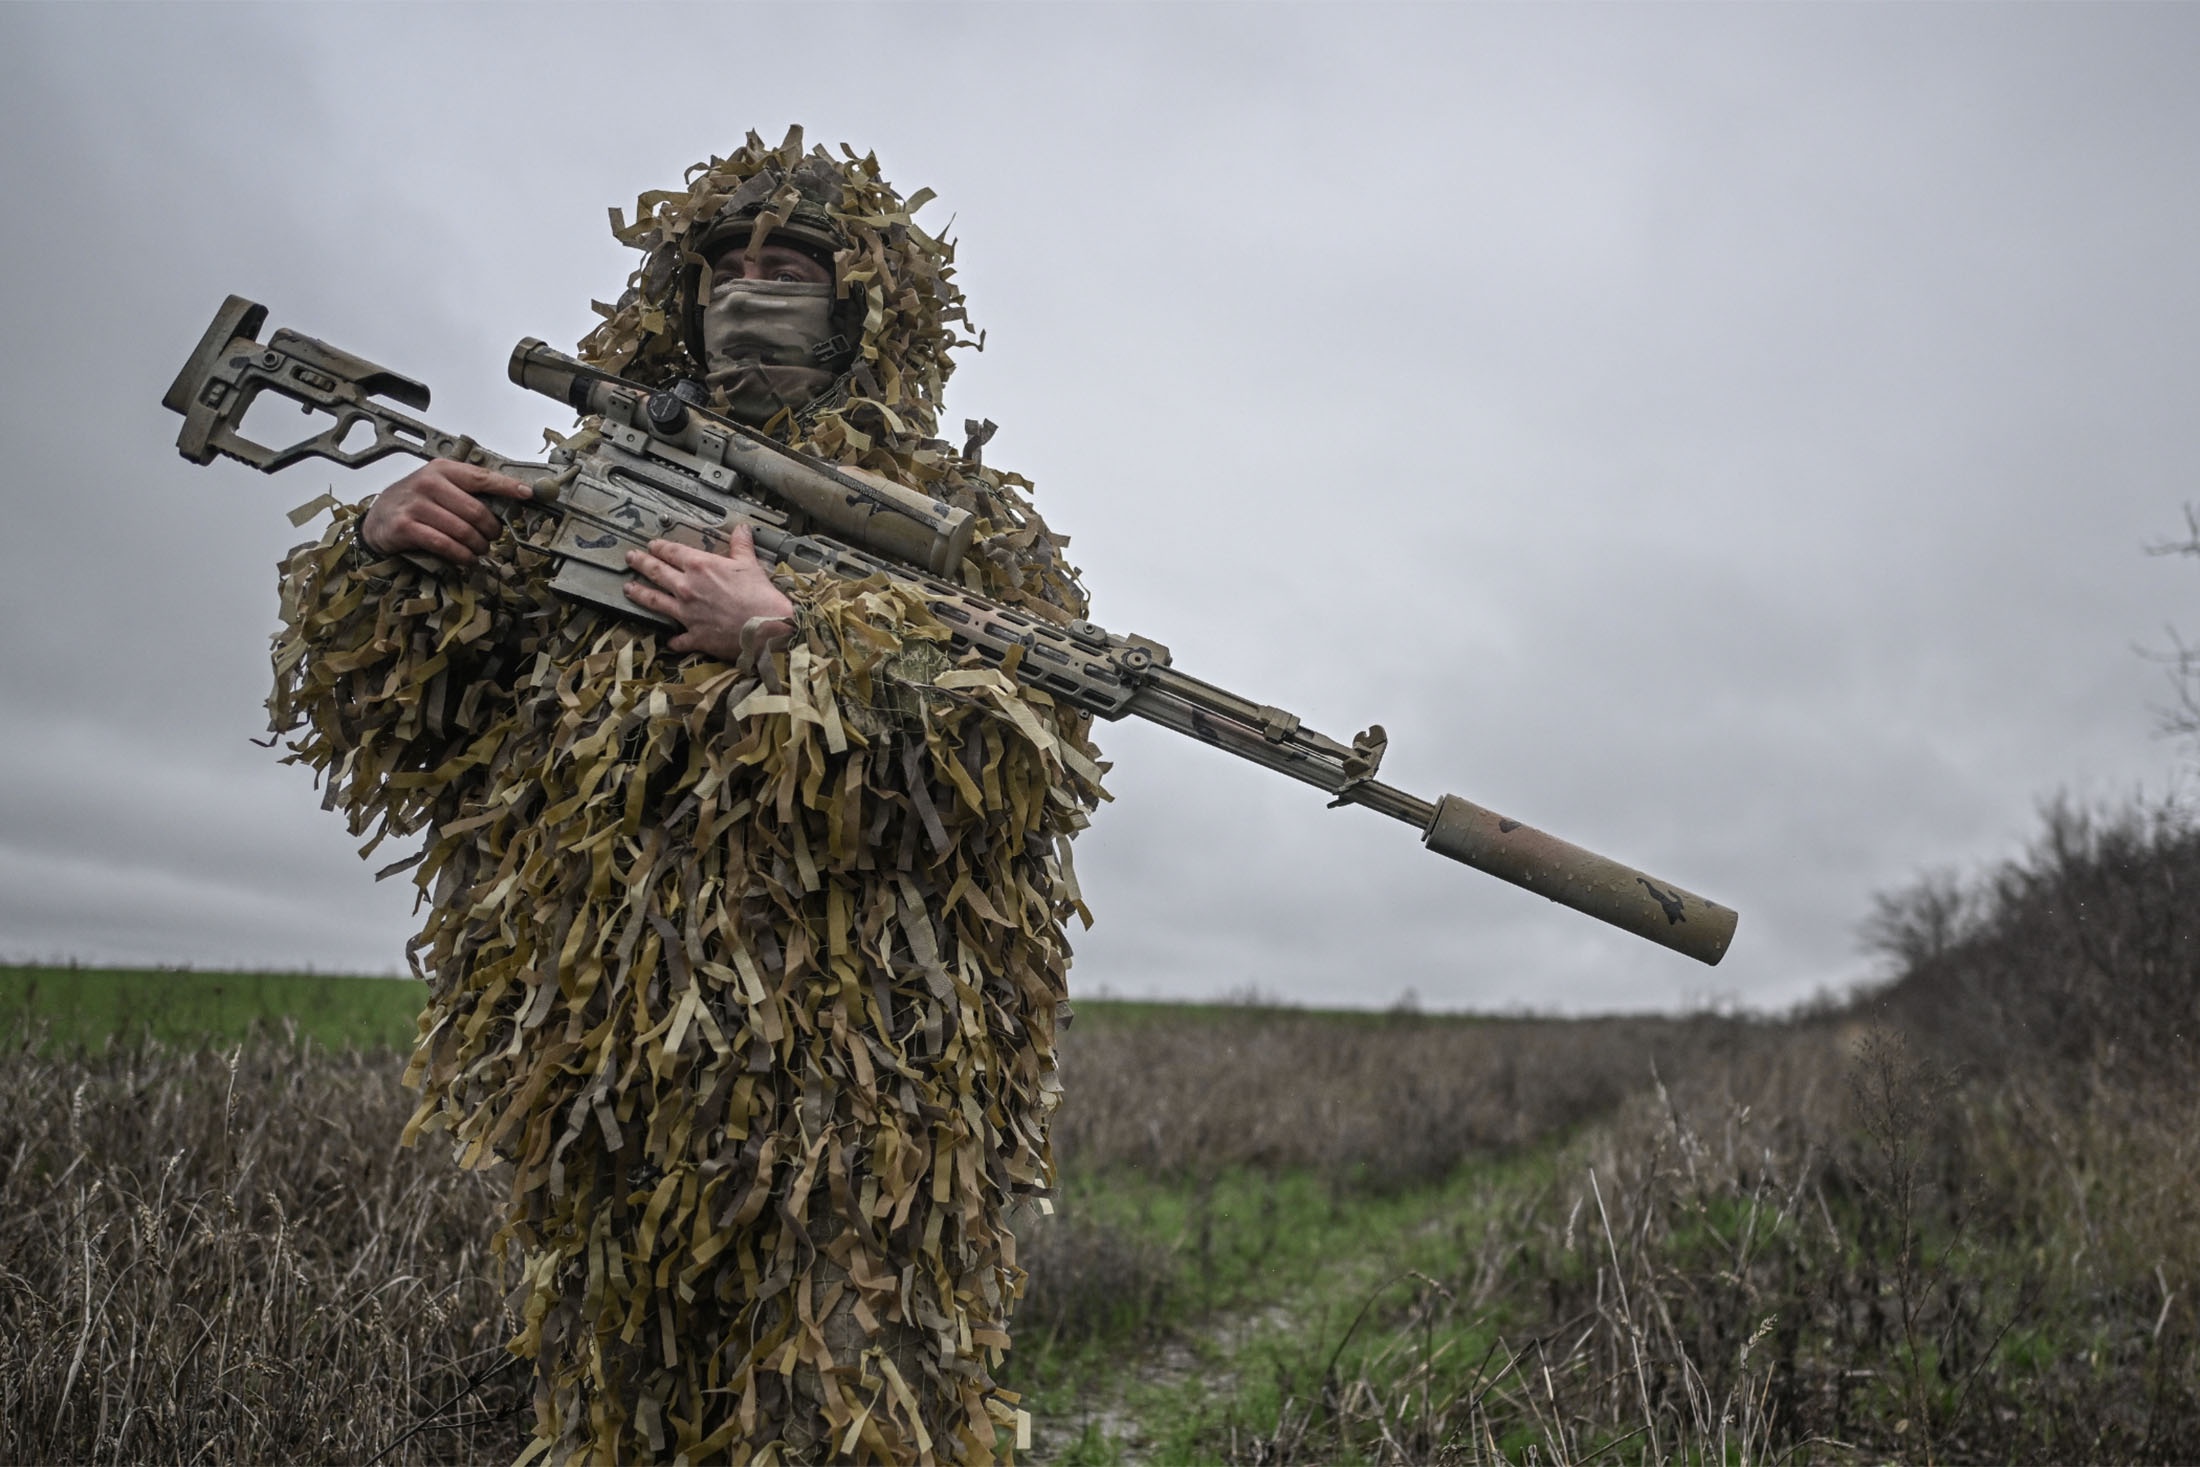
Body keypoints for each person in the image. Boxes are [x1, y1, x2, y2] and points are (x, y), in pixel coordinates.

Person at [270, 127, 1101, 1464]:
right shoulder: (590, 494)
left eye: (792, 264)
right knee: (621, 1419)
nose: (751, 287)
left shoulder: (959, 527)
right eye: (727, 261)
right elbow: (406, 727)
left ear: (866, 301)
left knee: (846, 1421)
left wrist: (797, 643)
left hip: (863, 1106)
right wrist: (388, 549)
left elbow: (1025, 771)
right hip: (608, 1086)